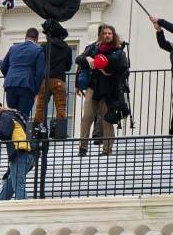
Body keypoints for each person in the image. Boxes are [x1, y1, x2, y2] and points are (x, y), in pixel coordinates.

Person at [76, 25, 130, 157]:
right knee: (87, 117)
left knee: (107, 119)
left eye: (110, 33)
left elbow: (124, 70)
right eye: (105, 33)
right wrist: (87, 58)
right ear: (101, 35)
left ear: (113, 35)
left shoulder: (118, 51)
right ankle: (82, 148)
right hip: (93, 87)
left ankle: (107, 150)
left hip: (109, 89)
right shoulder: (93, 48)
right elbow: (78, 59)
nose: (107, 35)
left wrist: (108, 71)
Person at [0, 101, 36, 201]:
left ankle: (24, 208)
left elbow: (4, 133)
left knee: (18, 183)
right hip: (27, 153)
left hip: (20, 153)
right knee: (9, 183)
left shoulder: (5, 116)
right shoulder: (12, 115)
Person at [33, 20, 73, 136]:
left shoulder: (45, 46)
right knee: (60, 106)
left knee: (40, 106)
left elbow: (40, 63)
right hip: (59, 80)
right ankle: (59, 132)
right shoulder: (67, 48)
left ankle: (38, 131)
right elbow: (68, 66)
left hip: (45, 80)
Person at [0, 27, 46, 118]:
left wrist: (9, 77)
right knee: (23, 117)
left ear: (25, 37)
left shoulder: (13, 49)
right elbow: (40, 73)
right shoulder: (38, 50)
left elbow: (3, 67)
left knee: (12, 116)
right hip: (26, 85)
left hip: (10, 85)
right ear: (37, 39)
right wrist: (35, 90)